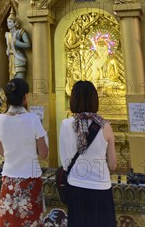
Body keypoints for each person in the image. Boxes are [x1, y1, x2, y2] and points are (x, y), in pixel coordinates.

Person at [59, 80, 117, 227]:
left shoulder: (66, 125)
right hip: (101, 188)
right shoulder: (105, 126)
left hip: (76, 186)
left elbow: (65, 163)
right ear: (94, 100)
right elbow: (113, 164)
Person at [0, 78, 48, 227]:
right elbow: (44, 153)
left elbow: (1, 151)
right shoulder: (33, 119)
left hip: (9, 179)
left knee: (9, 221)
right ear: (25, 97)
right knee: (31, 221)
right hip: (30, 178)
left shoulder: (0, 120)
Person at [5, 9, 31, 80]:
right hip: (11, 59)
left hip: (19, 58)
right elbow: (8, 47)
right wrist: (8, 50)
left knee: (20, 79)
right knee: (12, 80)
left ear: (15, 23)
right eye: (7, 22)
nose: (8, 24)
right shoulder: (7, 35)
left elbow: (28, 44)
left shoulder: (20, 32)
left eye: (10, 22)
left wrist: (17, 43)